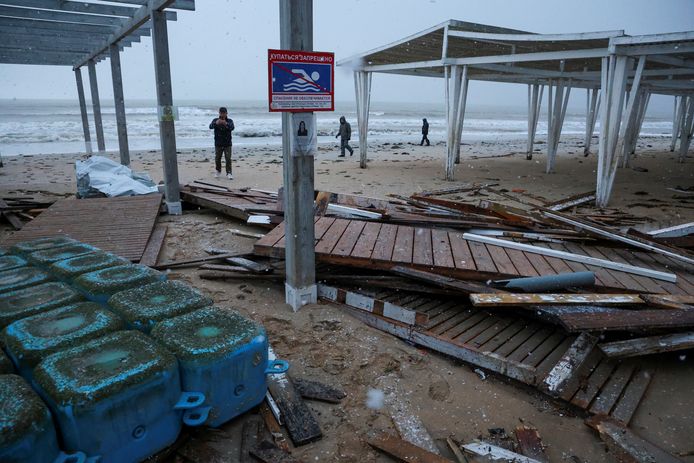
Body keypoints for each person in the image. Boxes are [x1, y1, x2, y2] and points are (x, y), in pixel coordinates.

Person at [209, 107, 235, 179]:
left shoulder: (230, 121)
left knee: (228, 158)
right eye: (221, 113)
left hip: (227, 143)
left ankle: (229, 173)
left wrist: (226, 123)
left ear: (226, 113)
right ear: (219, 113)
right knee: (217, 158)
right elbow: (210, 126)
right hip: (218, 143)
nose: (222, 114)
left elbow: (232, 128)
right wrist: (216, 123)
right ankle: (218, 170)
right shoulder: (215, 120)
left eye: (224, 113)